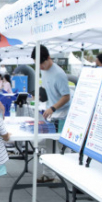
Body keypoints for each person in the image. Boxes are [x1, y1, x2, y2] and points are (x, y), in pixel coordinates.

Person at [31, 45, 72, 182]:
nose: (41, 67)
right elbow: (46, 87)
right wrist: (39, 96)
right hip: (51, 114)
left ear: (49, 58)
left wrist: (53, 108)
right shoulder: (44, 70)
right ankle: (48, 174)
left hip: (62, 114)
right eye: (38, 65)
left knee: (62, 147)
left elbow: (66, 96)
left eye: (42, 63)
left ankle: (64, 177)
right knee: (49, 145)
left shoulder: (59, 74)